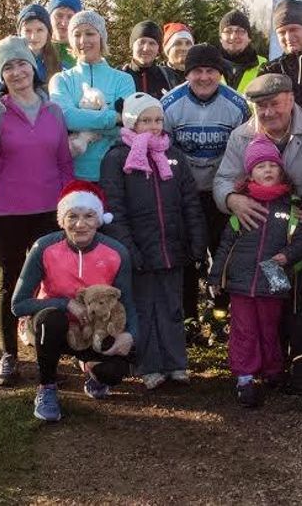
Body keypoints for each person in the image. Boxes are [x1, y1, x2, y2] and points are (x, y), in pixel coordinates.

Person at [214, 72, 302, 393]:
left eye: (274, 104)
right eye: (260, 106)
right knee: (269, 298)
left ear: (290, 99)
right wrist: (233, 199)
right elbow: (224, 179)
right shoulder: (242, 136)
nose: (267, 112)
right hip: (262, 241)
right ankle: (269, 363)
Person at [0, 36, 75, 385]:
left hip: (49, 210)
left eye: (21, 64)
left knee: (52, 283)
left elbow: (64, 163)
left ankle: (49, 356)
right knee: (13, 282)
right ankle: (9, 357)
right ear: (1, 75)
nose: (16, 73)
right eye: (8, 68)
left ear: (33, 68)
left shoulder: (54, 111)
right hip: (6, 211)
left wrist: (67, 205)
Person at [100, 92, 207, 390]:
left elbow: (189, 201)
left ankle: (176, 362)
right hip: (140, 248)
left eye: (158, 119)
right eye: (145, 120)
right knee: (144, 308)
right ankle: (149, 365)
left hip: (171, 245)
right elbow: (115, 209)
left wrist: (197, 240)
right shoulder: (117, 158)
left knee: (172, 306)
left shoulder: (174, 156)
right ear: (132, 122)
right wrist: (127, 249)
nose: (153, 126)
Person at [12, 181, 138, 422]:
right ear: (62, 219)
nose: (80, 224)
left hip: (94, 330)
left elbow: (129, 302)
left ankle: (90, 368)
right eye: (73, 216)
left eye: (89, 216)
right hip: (53, 328)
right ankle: (47, 388)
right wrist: (65, 303)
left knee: (113, 372)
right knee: (52, 319)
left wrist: (130, 336)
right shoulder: (44, 247)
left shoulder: (116, 252)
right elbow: (18, 304)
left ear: (99, 218)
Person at [208, 137, 302, 407]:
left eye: (271, 165)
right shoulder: (241, 206)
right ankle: (245, 376)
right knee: (244, 330)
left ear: (280, 170)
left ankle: (272, 370)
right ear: (249, 173)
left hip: (273, 279)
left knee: (270, 328)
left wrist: (287, 256)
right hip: (242, 282)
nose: (267, 170)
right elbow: (225, 245)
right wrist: (216, 276)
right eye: (260, 166)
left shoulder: (290, 206)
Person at [163, 43, 251, 342]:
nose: (203, 77)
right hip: (186, 192)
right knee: (188, 255)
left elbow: (247, 152)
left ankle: (220, 315)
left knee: (224, 254)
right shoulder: (170, 105)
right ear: (186, 74)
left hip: (223, 191)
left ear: (220, 73)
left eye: (210, 71)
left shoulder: (237, 105)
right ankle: (188, 317)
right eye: (196, 71)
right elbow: (163, 150)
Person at [49, 10, 136, 182]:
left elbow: (128, 125)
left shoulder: (124, 80)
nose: (83, 41)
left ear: (101, 37)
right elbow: (65, 117)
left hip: (115, 175)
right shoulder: (61, 80)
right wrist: (114, 118)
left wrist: (81, 122)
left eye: (90, 33)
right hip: (71, 175)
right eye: (77, 34)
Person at [121, 20, 180, 96]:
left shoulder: (169, 77)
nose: (146, 48)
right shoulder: (118, 76)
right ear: (132, 45)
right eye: (141, 42)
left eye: (152, 43)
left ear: (158, 48)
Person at [16, 3, 62, 91]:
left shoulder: (59, 64)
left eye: (40, 30)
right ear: (20, 33)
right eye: (27, 31)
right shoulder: (9, 63)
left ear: (48, 32)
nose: (33, 37)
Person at [218, 9, 266, 91]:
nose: (233, 36)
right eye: (228, 31)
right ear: (220, 38)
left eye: (240, 31)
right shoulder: (209, 64)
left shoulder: (264, 67)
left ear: (249, 38)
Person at [46, 0, 83, 70]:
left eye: (70, 17)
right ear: (49, 17)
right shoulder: (39, 49)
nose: (64, 23)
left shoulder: (83, 53)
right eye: (59, 15)